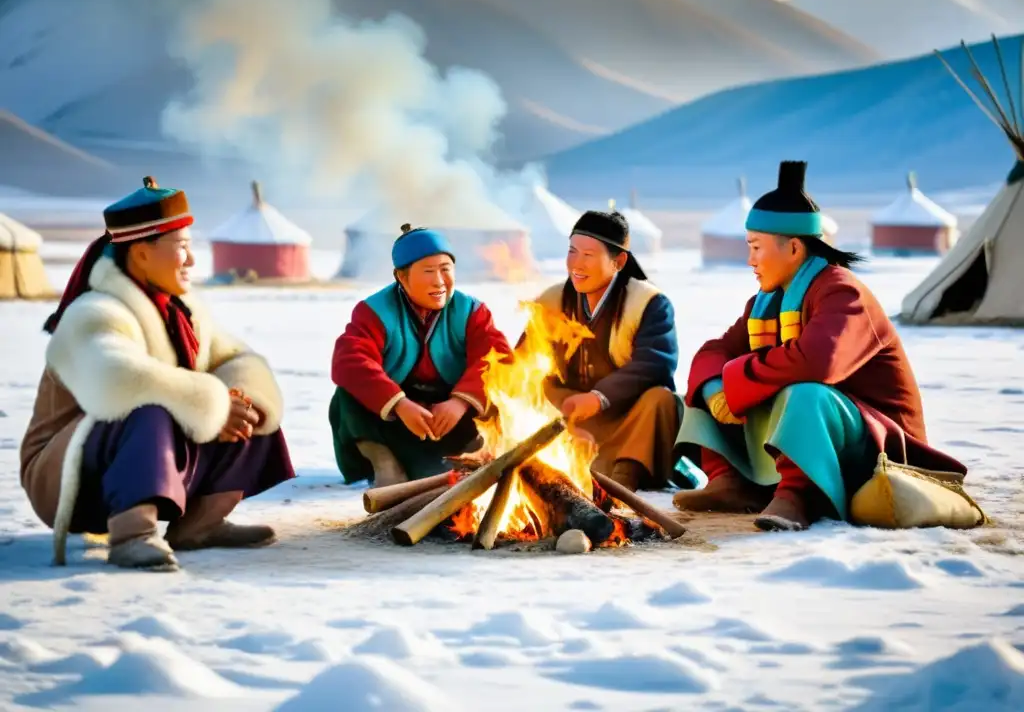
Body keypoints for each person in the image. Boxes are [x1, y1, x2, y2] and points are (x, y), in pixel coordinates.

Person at [673, 161, 967, 530]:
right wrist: (718, 389)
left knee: (805, 393)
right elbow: (713, 351)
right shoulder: (766, 303)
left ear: (793, 247)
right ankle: (730, 483)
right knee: (708, 384)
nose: (750, 260)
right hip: (822, 437)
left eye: (756, 247)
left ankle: (797, 497)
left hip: (879, 447)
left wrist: (737, 383)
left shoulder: (842, 292)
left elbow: (818, 362)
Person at [20, 177, 295, 571]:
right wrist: (211, 408)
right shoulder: (94, 312)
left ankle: (200, 524)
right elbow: (116, 380)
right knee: (149, 407)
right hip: (65, 472)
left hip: (138, 454)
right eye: (181, 247)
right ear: (141, 254)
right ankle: (133, 533)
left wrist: (232, 400)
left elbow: (235, 356)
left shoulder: (182, 311)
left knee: (249, 407)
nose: (192, 260)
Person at [329, 224, 511, 486]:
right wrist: (399, 403)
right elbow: (350, 361)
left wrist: (460, 402)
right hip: (394, 417)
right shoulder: (374, 311)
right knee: (348, 394)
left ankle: (471, 459)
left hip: (448, 413)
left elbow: (498, 357)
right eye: (428, 271)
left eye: (445, 269)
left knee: (499, 395)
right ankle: (383, 462)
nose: (439, 281)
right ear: (401, 277)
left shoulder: (471, 311)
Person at [530, 210, 680, 491]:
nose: (576, 264)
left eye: (588, 255)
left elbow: (655, 364)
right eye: (572, 252)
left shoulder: (648, 303)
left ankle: (624, 480)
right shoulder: (551, 302)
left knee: (660, 399)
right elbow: (524, 366)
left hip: (627, 422)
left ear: (619, 261)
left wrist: (599, 398)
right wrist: (563, 402)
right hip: (571, 421)